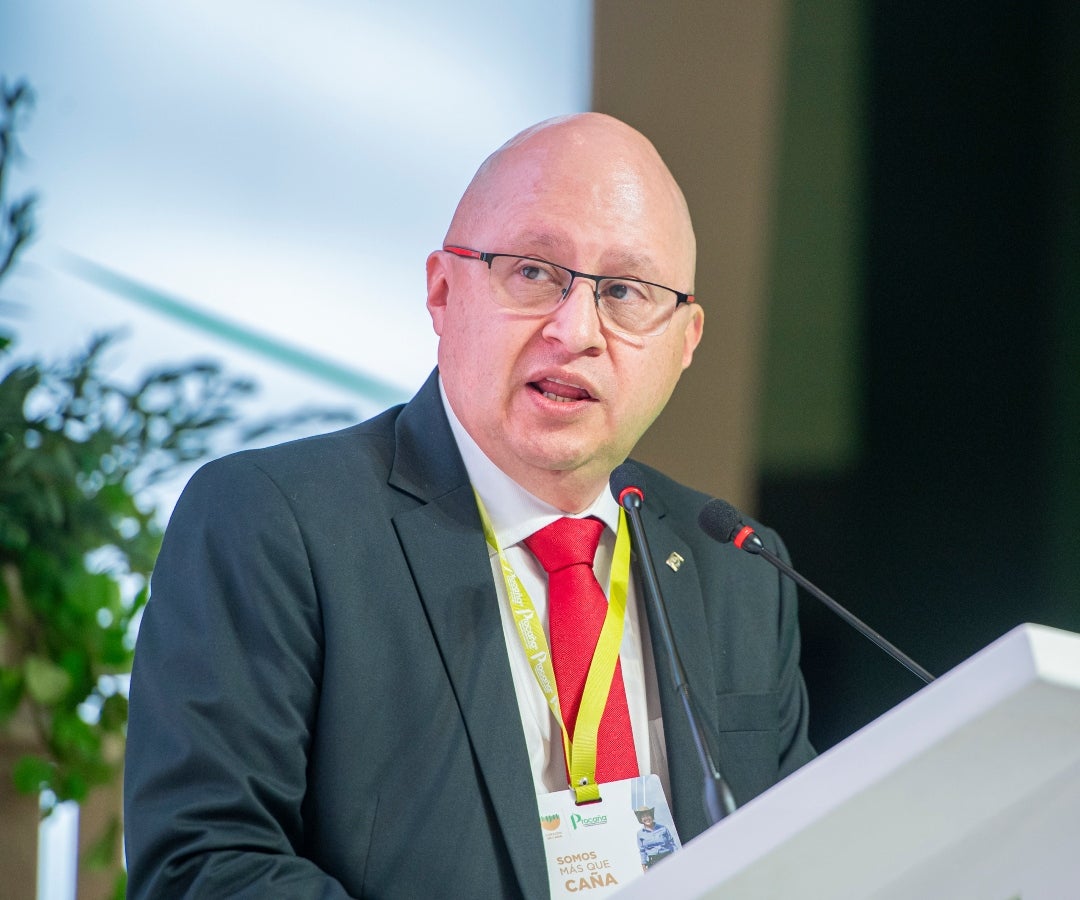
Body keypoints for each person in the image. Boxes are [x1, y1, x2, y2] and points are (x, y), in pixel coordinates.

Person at [123, 112, 814, 899]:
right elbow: (206, 864)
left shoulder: (737, 567)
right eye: (534, 273)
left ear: (685, 341)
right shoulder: (272, 522)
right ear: (443, 292)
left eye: (625, 291)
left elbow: (800, 855)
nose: (576, 331)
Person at [635, 806, 677, 870]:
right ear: (641, 819)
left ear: (652, 816)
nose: (646, 818)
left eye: (648, 815)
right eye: (643, 816)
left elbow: (672, 843)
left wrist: (677, 856)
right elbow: (642, 851)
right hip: (653, 862)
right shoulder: (640, 834)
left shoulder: (663, 828)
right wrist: (644, 866)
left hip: (668, 858)